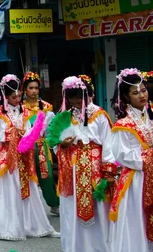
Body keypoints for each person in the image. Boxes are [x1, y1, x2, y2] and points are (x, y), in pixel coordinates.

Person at [47, 75, 115, 252]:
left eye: (79, 96)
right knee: (71, 206)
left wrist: (108, 171)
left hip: (94, 168)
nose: (76, 100)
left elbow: (108, 144)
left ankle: (100, 247)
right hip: (72, 168)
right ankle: (75, 247)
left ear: (87, 94)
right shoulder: (65, 117)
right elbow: (54, 142)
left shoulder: (100, 115)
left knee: (99, 208)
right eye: (71, 97)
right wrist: (63, 144)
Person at [0, 74, 59, 240]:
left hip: (24, 157)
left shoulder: (25, 112)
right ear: (6, 96)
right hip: (8, 159)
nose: (17, 99)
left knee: (30, 190)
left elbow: (29, 131)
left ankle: (34, 226)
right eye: (14, 97)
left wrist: (34, 131)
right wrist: (13, 133)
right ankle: (9, 228)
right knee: (10, 190)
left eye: (19, 96)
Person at [108, 68, 153, 252]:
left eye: (143, 90)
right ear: (126, 97)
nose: (141, 95)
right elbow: (122, 155)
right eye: (135, 93)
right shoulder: (123, 124)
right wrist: (149, 157)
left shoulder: (150, 117)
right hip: (136, 180)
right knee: (137, 220)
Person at [22, 71, 60, 216]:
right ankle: (28, 207)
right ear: (25, 89)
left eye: (36, 88)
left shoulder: (46, 107)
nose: (34, 91)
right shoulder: (20, 107)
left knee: (47, 176)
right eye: (31, 88)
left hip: (41, 146)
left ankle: (54, 203)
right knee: (27, 176)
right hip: (26, 147)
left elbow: (52, 130)